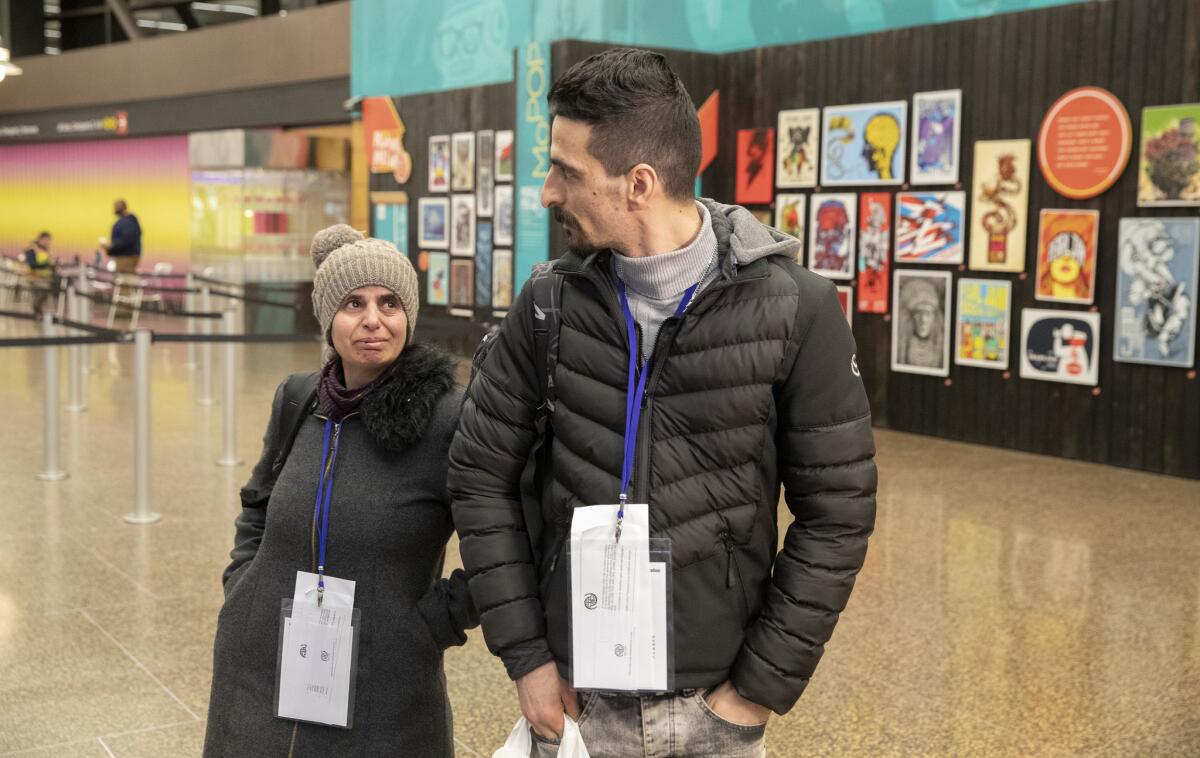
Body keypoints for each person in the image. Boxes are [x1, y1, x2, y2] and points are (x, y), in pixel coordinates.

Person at [449, 48, 877, 757]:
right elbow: (479, 477)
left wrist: (755, 691)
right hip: (577, 707)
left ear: (639, 183)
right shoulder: (549, 304)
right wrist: (525, 657)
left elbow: (839, 511)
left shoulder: (798, 309)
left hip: (717, 715)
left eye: (568, 171)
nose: (549, 192)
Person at [205, 225, 477, 757]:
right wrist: (243, 583)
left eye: (390, 303)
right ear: (329, 317)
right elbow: (258, 502)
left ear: (409, 316)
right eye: (353, 303)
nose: (373, 320)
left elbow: (506, 538)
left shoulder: (449, 417)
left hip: (386, 677)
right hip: (265, 654)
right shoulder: (298, 399)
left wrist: (431, 625)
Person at [22, 231, 55, 315]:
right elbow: (32, 264)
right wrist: (47, 265)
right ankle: (37, 310)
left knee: (49, 289)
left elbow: (49, 264)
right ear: (41, 239)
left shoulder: (45, 250)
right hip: (34, 278)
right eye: (47, 240)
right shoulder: (32, 249)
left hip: (45, 279)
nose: (48, 242)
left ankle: (39, 311)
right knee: (43, 291)